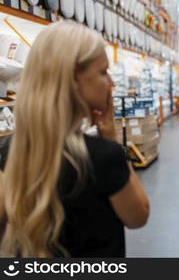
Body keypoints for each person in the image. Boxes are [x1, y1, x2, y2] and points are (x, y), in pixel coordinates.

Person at [0, 21, 149, 257]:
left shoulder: (8, 152)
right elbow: (138, 216)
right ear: (72, 79)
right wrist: (111, 138)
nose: (110, 83)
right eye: (102, 72)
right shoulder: (102, 157)